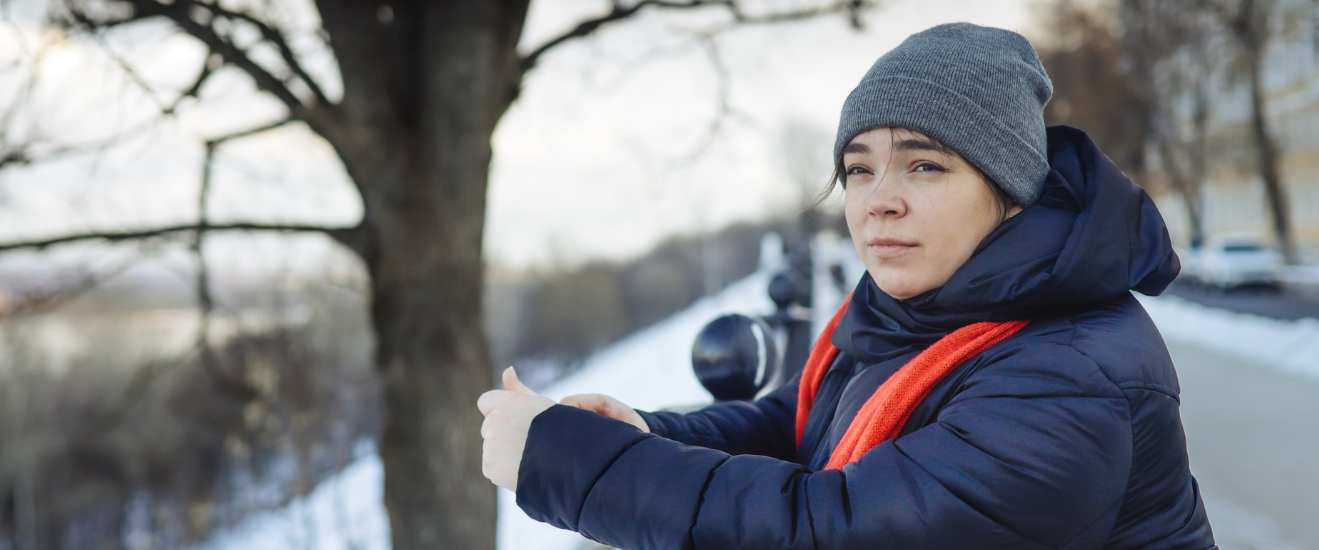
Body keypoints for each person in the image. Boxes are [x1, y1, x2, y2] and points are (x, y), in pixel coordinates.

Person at [477, 23, 1216, 549]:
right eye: (859, 167)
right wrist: (647, 432)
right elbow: (803, 431)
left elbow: (833, 525)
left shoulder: (1073, 373)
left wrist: (571, 464)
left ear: (1012, 192)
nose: (876, 199)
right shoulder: (917, 308)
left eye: (924, 165)